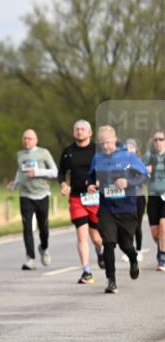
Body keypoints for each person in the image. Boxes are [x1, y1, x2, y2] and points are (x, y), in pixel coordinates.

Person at [85, 125, 149, 294]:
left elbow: (144, 176)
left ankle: (133, 259)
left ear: (115, 140)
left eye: (108, 142)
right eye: (102, 143)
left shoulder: (128, 156)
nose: (105, 146)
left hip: (127, 207)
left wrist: (129, 183)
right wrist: (90, 186)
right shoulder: (97, 158)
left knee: (125, 244)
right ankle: (111, 281)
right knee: (108, 242)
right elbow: (90, 177)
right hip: (106, 208)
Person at [59, 120, 105, 284]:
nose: (79, 131)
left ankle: (100, 250)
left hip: (95, 198)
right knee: (81, 235)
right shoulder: (68, 152)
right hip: (76, 197)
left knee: (96, 237)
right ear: (73, 132)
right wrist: (64, 184)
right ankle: (86, 271)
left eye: (82, 129)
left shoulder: (97, 150)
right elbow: (61, 172)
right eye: (77, 129)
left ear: (90, 133)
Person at [6, 129, 58, 270]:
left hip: (42, 194)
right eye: (24, 138)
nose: (27, 141)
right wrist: (15, 184)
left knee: (44, 228)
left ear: (36, 140)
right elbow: (20, 171)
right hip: (25, 195)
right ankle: (30, 258)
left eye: (29, 138)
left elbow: (54, 172)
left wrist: (38, 172)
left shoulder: (43, 153)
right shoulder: (20, 155)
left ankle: (44, 248)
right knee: (27, 228)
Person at [144, 130, 165, 272]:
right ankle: (161, 246)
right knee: (155, 233)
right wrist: (145, 170)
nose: (158, 142)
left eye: (161, 139)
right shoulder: (148, 156)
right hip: (152, 196)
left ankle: (162, 257)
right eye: (156, 139)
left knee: (163, 224)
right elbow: (139, 174)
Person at [125, 139, 147, 262]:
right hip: (125, 198)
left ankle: (138, 250)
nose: (129, 148)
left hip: (138, 197)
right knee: (127, 225)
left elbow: (143, 178)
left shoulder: (139, 162)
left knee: (137, 225)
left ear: (136, 149)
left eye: (132, 146)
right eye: (127, 146)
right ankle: (129, 250)